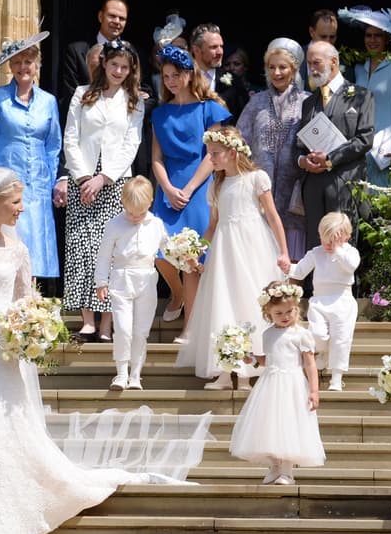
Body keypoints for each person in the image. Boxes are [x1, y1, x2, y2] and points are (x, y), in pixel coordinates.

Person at [0, 167, 208, 534]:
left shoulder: (17, 249)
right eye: (16, 202)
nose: (22, 209)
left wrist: (31, 329)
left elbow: (27, 301)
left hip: (1, 351)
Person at [175, 126, 291, 387]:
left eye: (215, 154)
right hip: (225, 249)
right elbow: (212, 226)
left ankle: (255, 366)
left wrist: (284, 251)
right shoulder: (216, 186)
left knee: (250, 298)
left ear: (232, 152)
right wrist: (196, 251)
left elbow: (273, 216)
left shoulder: (256, 178)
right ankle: (226, 370)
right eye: (209, 154)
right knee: (225, 301)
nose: (211, 159)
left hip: (252, 246)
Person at [62, 39, 146, 342]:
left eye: (125, 67)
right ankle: (86, 320)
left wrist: (104, 178)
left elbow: (131, 144)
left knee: (110, 250)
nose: (119, 71)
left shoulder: (135, 100)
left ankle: (107, 323)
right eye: (114, 65)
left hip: (115, 182)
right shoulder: (82, 94)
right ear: (104, 64)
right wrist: (85, 177)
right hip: (82, 179)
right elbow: (71, 136)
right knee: (82, 247)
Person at [150, 44, 229, 331]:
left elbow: (214, 153)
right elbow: (156, 158)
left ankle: (190, 326)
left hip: (200, 185)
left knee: (193, 257)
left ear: (188, 74)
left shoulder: (209, 109)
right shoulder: (159, 114)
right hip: (168, 186)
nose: (170, 81)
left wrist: (190, 187)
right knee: (160, 253)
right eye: (166, 76)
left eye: (175, 75)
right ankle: (178, 293)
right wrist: (169, 189)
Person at [0, 32, 62, 285]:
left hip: (37, 185)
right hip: (5, 183)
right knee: (6, 240)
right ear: (10, 66)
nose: (23, 67)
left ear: (36, 66)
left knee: (34, 246)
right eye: (17, 62)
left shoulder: (48, 101)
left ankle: (30, 306)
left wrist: (52, 180)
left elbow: (53, 145)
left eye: (28, 62)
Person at [228, 281, 324, 485]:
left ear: (296, 308)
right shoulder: (268, 334)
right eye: (279, 313)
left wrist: (314, 391)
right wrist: (253, 359)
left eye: (289, 311)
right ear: (268, 313)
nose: (285, 316)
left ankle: (287, 470)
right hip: (270, 384)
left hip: (292, 384)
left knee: (289, 424)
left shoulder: (301, 334)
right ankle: (274, 466)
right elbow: (269, 358)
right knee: (269, 425)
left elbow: (310, 364)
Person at [236, 37, 312, 259]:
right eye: (272, 67)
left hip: (294, 194)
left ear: (294, 69)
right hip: (260, 194)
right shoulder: (256, 102)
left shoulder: (307, 101)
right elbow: (240, 142)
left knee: (293, 260)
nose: (277, 73)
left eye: (282, 67)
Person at [94, 176, 169, 390]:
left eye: (140, 212)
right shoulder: (115, 224)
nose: (135, 217)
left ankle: (136, 374)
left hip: (146, 279)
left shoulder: (156, 224)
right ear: (123, 203)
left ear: (150, 203)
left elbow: (168, 249)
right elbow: (104, 255)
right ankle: (120, 373)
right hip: (120, 278)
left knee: (141, 330)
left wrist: (186, 258)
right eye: (130, 212)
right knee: (123, 328)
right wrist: (101, 281)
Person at [295, 41, 375, 241]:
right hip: (313, 184)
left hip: (344, 181)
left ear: (334, 61)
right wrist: (302, 161)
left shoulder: (361, 96)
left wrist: (330, 158)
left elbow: (365, 139)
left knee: (342, 246)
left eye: (317, 63)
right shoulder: (309, 103)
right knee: (314, 246)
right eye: (310, 64)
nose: (312, 69)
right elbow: (299, 145)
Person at [338, 6, 391, 187]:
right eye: (368, 35)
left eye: (377, 35)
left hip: (387, 151)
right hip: (360, 148)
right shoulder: (358, 69)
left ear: (387, 38)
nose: (372, 40)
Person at [289, 212, 360, 391]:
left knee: (341, 339)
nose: (329, 244)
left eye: (334, 240)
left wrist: (338, 250)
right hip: (320, 300)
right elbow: (299, 271)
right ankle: (321, 350)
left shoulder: (350, 252)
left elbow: (351, 265)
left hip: (343, 300)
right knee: (317, 334)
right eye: (325, 239)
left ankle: (336, 377)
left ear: (347, 237)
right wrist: (287, 267)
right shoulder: (316, 253)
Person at [59, 0, 129, 113]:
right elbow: (71, 94)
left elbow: (147, 96)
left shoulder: (134, 53)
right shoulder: (76, 51)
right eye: (112, 16)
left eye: (122, 18)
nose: (117, 21)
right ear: (100, 16)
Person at [190, 22, 247, 121]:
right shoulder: (184, 79)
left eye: (221, 46)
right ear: (196, 50)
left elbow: (244, 118)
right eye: (213, 47)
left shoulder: (234, 81)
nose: (220, 52)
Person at [298, 9, 339, 88]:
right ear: (311, 32)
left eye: (332, 37)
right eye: (323, 36)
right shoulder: (295, 56)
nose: (328, 42)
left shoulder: (346, 63)